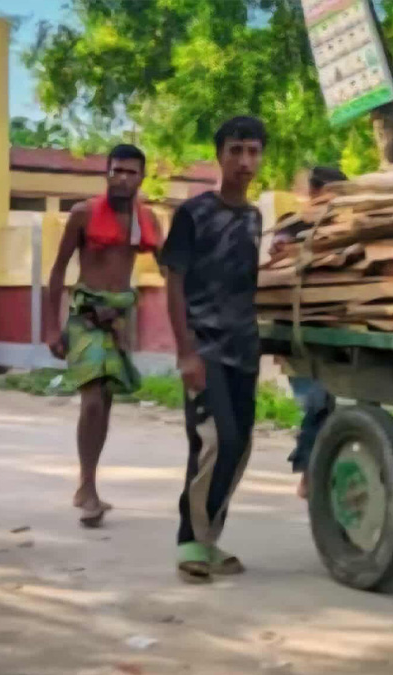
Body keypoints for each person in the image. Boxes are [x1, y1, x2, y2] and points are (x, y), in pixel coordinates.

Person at [160, 116, 266, 584]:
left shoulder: (255, 217)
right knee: (212, 440)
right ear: (219, 155)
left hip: (244, 348)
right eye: (236, 150)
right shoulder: (194, 214)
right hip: (204, 347)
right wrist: (186, 353)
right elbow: (174, 282)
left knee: (239, 446)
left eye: (254, 151)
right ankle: (190, 540)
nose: (245, 161)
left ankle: (210, 538)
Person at [44, 144, 163, 528]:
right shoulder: (83, 214)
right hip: (86, 316)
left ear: (141, 178)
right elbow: (59, 270)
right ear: (106, 173)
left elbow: (170, 268)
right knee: (92, 400)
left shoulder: (147, 219)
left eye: (131, 172)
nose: (123, 178)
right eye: (117, 171)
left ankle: (87, 482)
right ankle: (87, 487)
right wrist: (51, 326)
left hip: (120, 318)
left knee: (106, 403)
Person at [268, 166, 347, 499]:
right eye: (330, 193)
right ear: (315, 193)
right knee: (317, 402)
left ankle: (315, 473)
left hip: (330, 331)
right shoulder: (293, 227)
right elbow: (278, 262)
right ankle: (308, 477)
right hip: (297, 332)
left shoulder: (345, 227)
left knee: (327, 403)